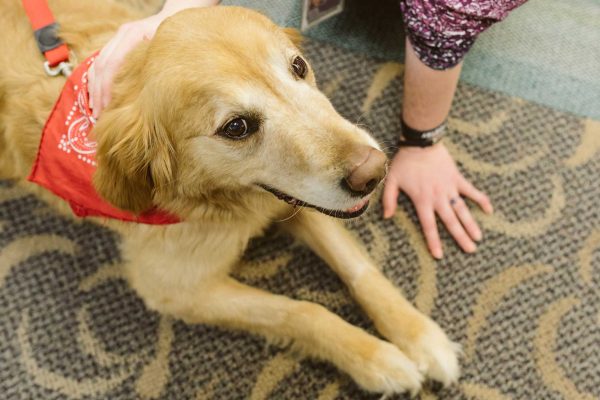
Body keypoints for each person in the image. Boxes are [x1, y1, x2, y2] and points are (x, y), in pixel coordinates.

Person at [89, 0, 527, 259]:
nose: (364, 161)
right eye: (237, 126)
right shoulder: (139, 145)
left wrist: (423, 141)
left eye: (296, 67)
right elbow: (124, 194)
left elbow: (451, 13)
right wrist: (179, 10)